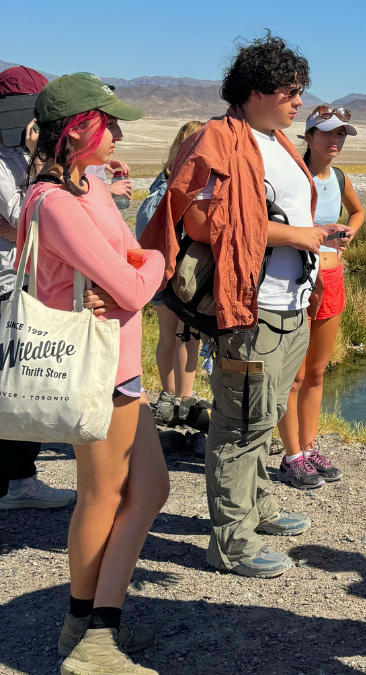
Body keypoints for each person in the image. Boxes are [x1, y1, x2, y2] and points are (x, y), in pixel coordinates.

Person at [140, 32, 345, 578]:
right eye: (290, 90)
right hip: (248, 307)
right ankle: (229, 542)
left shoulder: (274, 140)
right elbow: (200, 221)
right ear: (256, 90)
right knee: (237, 423)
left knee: (266, 412)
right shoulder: (220, 139)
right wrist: (298, 237)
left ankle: (258, 508)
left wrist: (311, 236)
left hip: (290, 304)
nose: (299, 101)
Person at [16, 72, 167, 675]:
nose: (120, 133)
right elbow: (134, 277)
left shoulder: (89, 188)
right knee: (102, 496)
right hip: (94, 369)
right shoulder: (54, 202)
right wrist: (155, 261)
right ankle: (91, 636)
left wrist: (133, 273)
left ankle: (92, 624)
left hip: (119, 365)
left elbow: (124, 269)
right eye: (109, 123)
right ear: (79, 129)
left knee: (149, 490)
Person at [0, 65, 77, 510]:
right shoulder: (7, 157)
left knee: (20, 380)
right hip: (5, 281)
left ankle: (19, 478)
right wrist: (40, 158)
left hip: (21, 277)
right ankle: (18, 482)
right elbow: (27, 213)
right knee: (13, 382)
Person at [274, 107, 362, 489]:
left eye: (341, 134)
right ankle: (291, 455)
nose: (335, 141)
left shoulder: (339, 177)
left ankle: (309, 448)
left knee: (316, 371)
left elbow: (358, 212)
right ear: (308, 136)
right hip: (298, 277)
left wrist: (347, 235)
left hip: (332, 274)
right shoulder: (296, 175)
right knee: (292, 375)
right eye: (327, 133)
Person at [135, 120, 205, 426]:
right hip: (179, 274)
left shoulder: (160, 183)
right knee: (187, 335)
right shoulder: (176, 186)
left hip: (161, 271)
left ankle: (171, 398)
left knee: (173, 335)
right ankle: (181, 400)